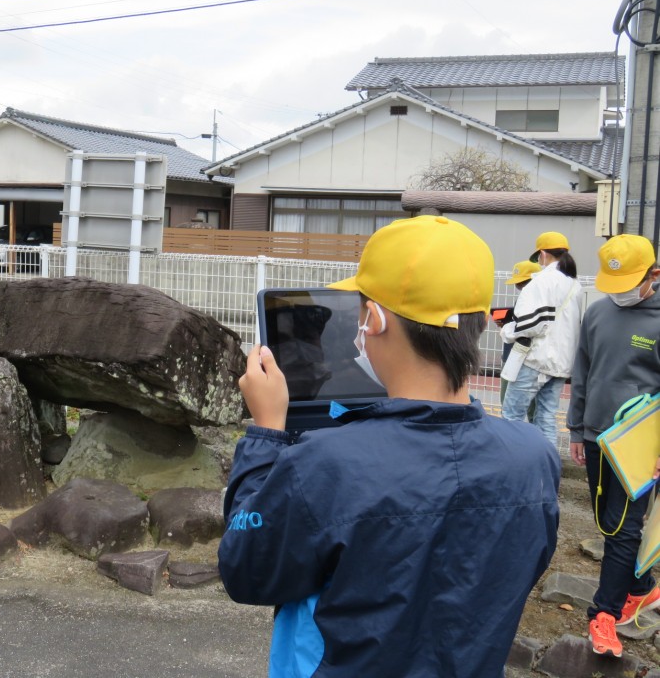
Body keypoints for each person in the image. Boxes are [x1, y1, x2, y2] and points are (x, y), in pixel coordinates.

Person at [218, 215, 560, 677]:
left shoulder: (326, 464)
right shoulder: (533, 454)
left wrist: (266, 433)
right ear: (479, 321)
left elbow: (247, 570)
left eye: (360, 310)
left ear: (373, 319)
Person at [566, 234, 660, 658]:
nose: (618, 295)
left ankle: (602, 615)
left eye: (627, 287)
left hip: (640, 446)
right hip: (595, 435)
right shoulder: (598, 312)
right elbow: (582, 371)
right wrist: (575, 429)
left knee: (624, 529)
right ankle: (641, 588)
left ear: (653, 276)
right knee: (608, 524)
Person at [501, 231, 582, 449]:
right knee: (546, 417)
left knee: (511, 416)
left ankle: (515, 469)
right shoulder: (574, 284)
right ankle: (547, 470)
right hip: (561, 363)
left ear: (543, 254)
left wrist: (507, 331)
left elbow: (529, 325)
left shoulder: (542, 281)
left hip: (536, 359)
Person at [495, 260, 542, 417]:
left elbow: (525, 330)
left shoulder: (537, 301)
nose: (518, 287)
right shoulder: (525, 299)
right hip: (513, 357)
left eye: (522, 283)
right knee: (513, 406)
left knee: (517, 409)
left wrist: (507, 328)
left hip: (525, 359)